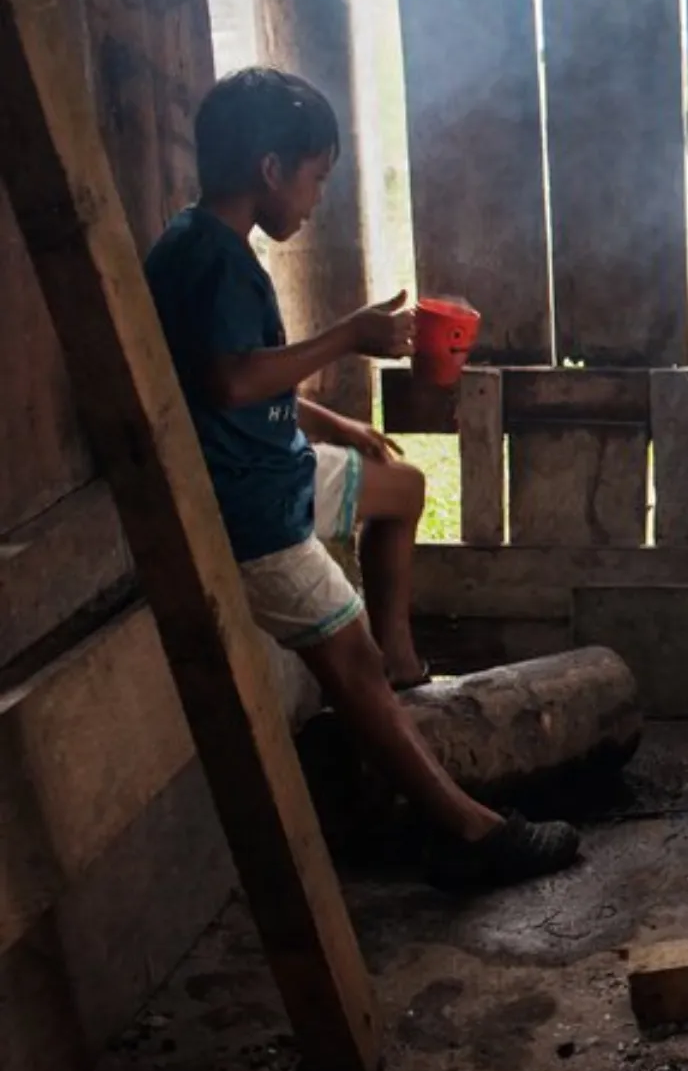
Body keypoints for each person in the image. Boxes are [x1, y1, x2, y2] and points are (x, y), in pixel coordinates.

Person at [144, 67, 580, 891]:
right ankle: (470, 833)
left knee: (401, 487)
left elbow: (225, 383)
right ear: (271, 169)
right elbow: (231, 382)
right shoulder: (215, 263)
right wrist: (349, 336)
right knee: (346, 660)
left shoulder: (195, 240)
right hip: (250, 511)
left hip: (277, 461)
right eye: (316, 178)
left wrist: (329, 422)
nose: (315, 201)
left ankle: (406, 668)